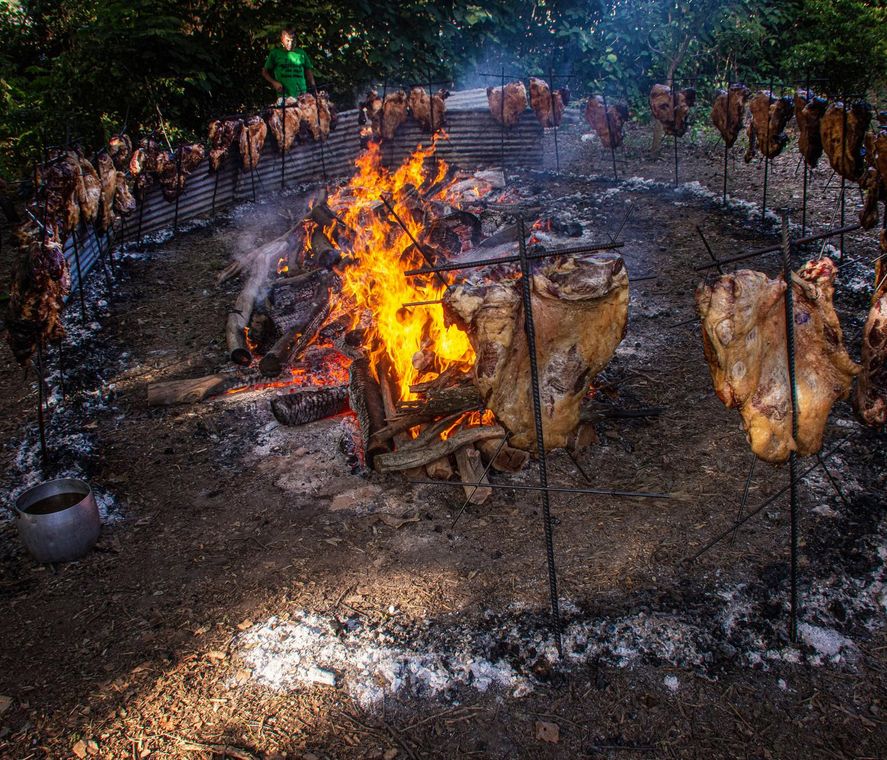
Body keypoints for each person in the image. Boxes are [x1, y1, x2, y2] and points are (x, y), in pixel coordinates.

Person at [261, 27, 316, 100]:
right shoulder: (275, 53)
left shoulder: (301, 53)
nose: (290, 43)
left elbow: (309, 72)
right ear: (282, 39)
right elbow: (265, 72)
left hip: (302, 94)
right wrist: (274, 83)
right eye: (288, 40)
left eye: (292, 41)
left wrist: (314, 89)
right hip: (284, 95)